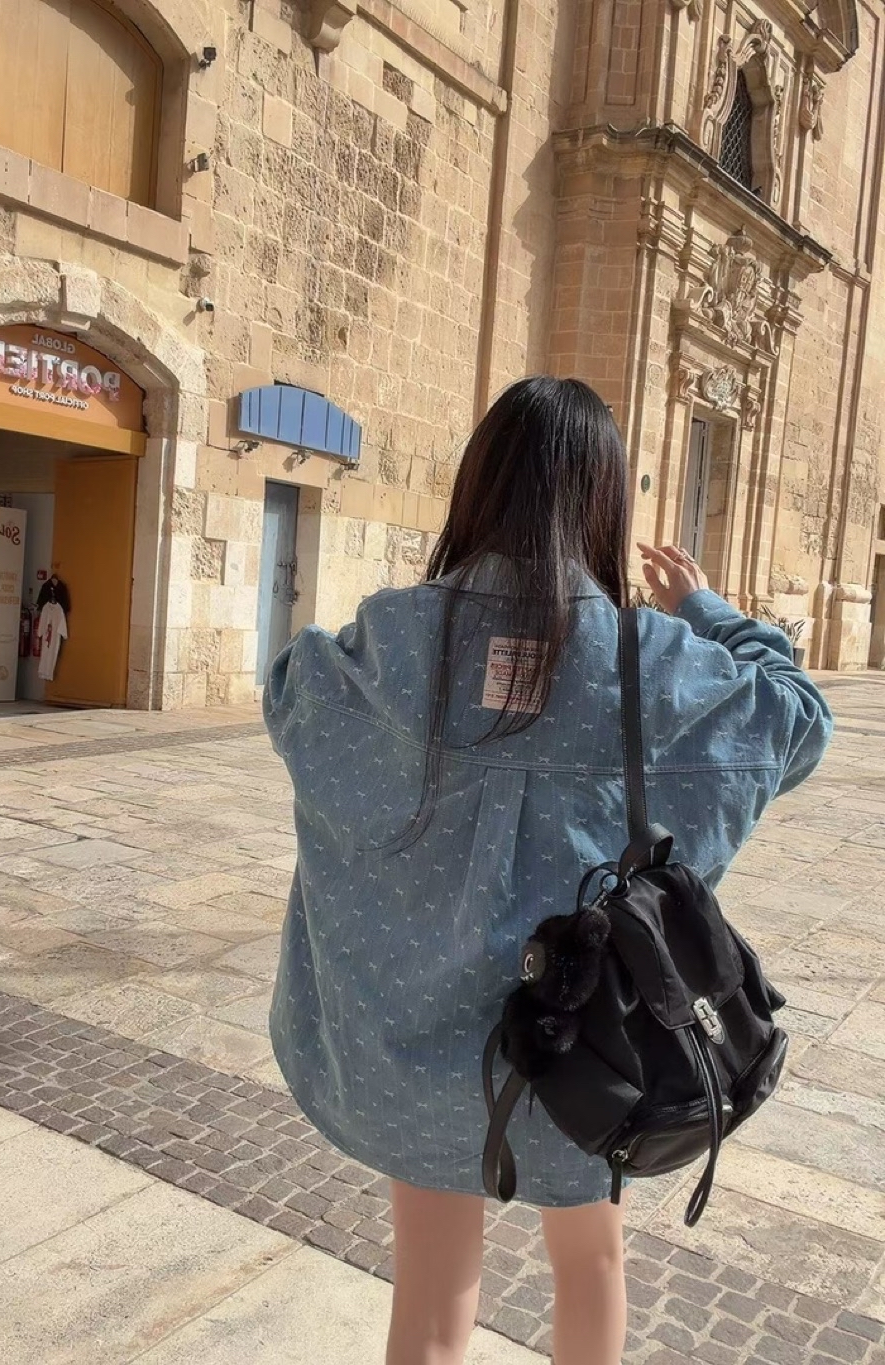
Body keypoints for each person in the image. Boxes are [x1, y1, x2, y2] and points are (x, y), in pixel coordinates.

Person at [263, 376, 832, 1365]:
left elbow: (292, 694)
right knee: (591, 1262)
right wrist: (704, 609)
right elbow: (798, 717)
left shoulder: (392, 637)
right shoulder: (650, 659)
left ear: (478, 485)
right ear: (603, 500)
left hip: (412, 1062)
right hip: (590, 1064)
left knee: (428, 1299)